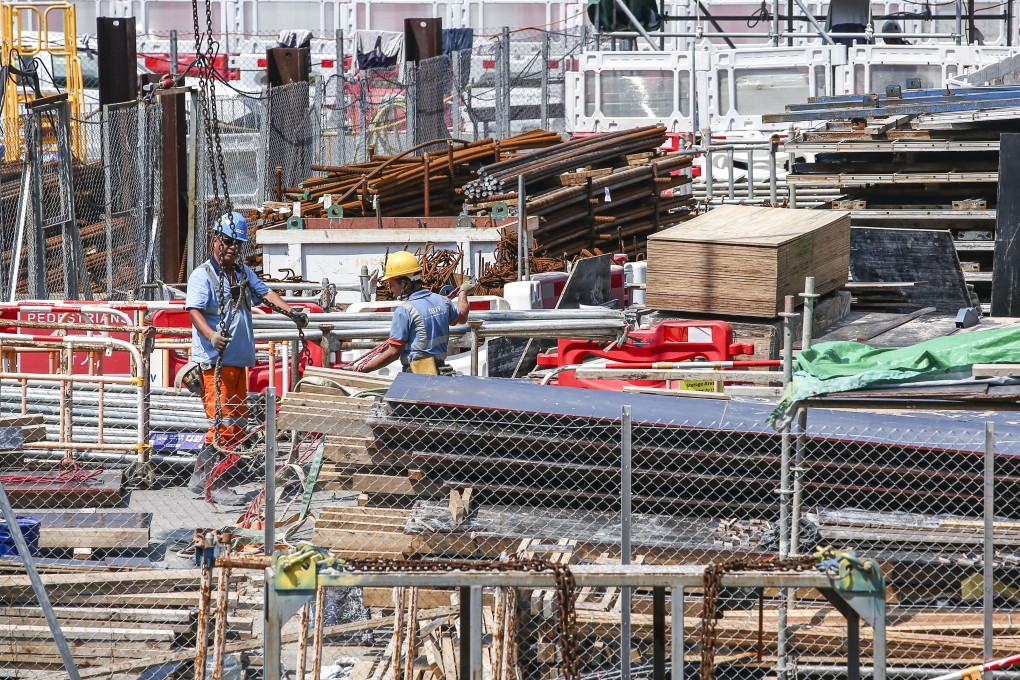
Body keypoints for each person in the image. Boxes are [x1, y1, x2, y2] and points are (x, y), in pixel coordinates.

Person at [185, 212, 307, 504]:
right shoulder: (203, 275)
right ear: (215, 240)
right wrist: (211, 336)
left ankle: (200, 477)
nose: (232, 247)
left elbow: (266, 293)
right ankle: (216, 484)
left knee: (237, 424)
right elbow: (194, 311)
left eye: (237, 243)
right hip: (216, 363)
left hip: (238, 360)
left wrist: (291, 312)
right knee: (224, 424)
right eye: (227, 241)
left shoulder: (241, 273)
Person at [355, 251, 471, 374]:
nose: (390, 289)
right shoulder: (442, 301)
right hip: (441, 372)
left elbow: (393, 353)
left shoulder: (404, 311)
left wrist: (363, 369)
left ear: (404, 283)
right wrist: (463, 291)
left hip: (416, 375)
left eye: (391, 284)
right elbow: (463, 317)